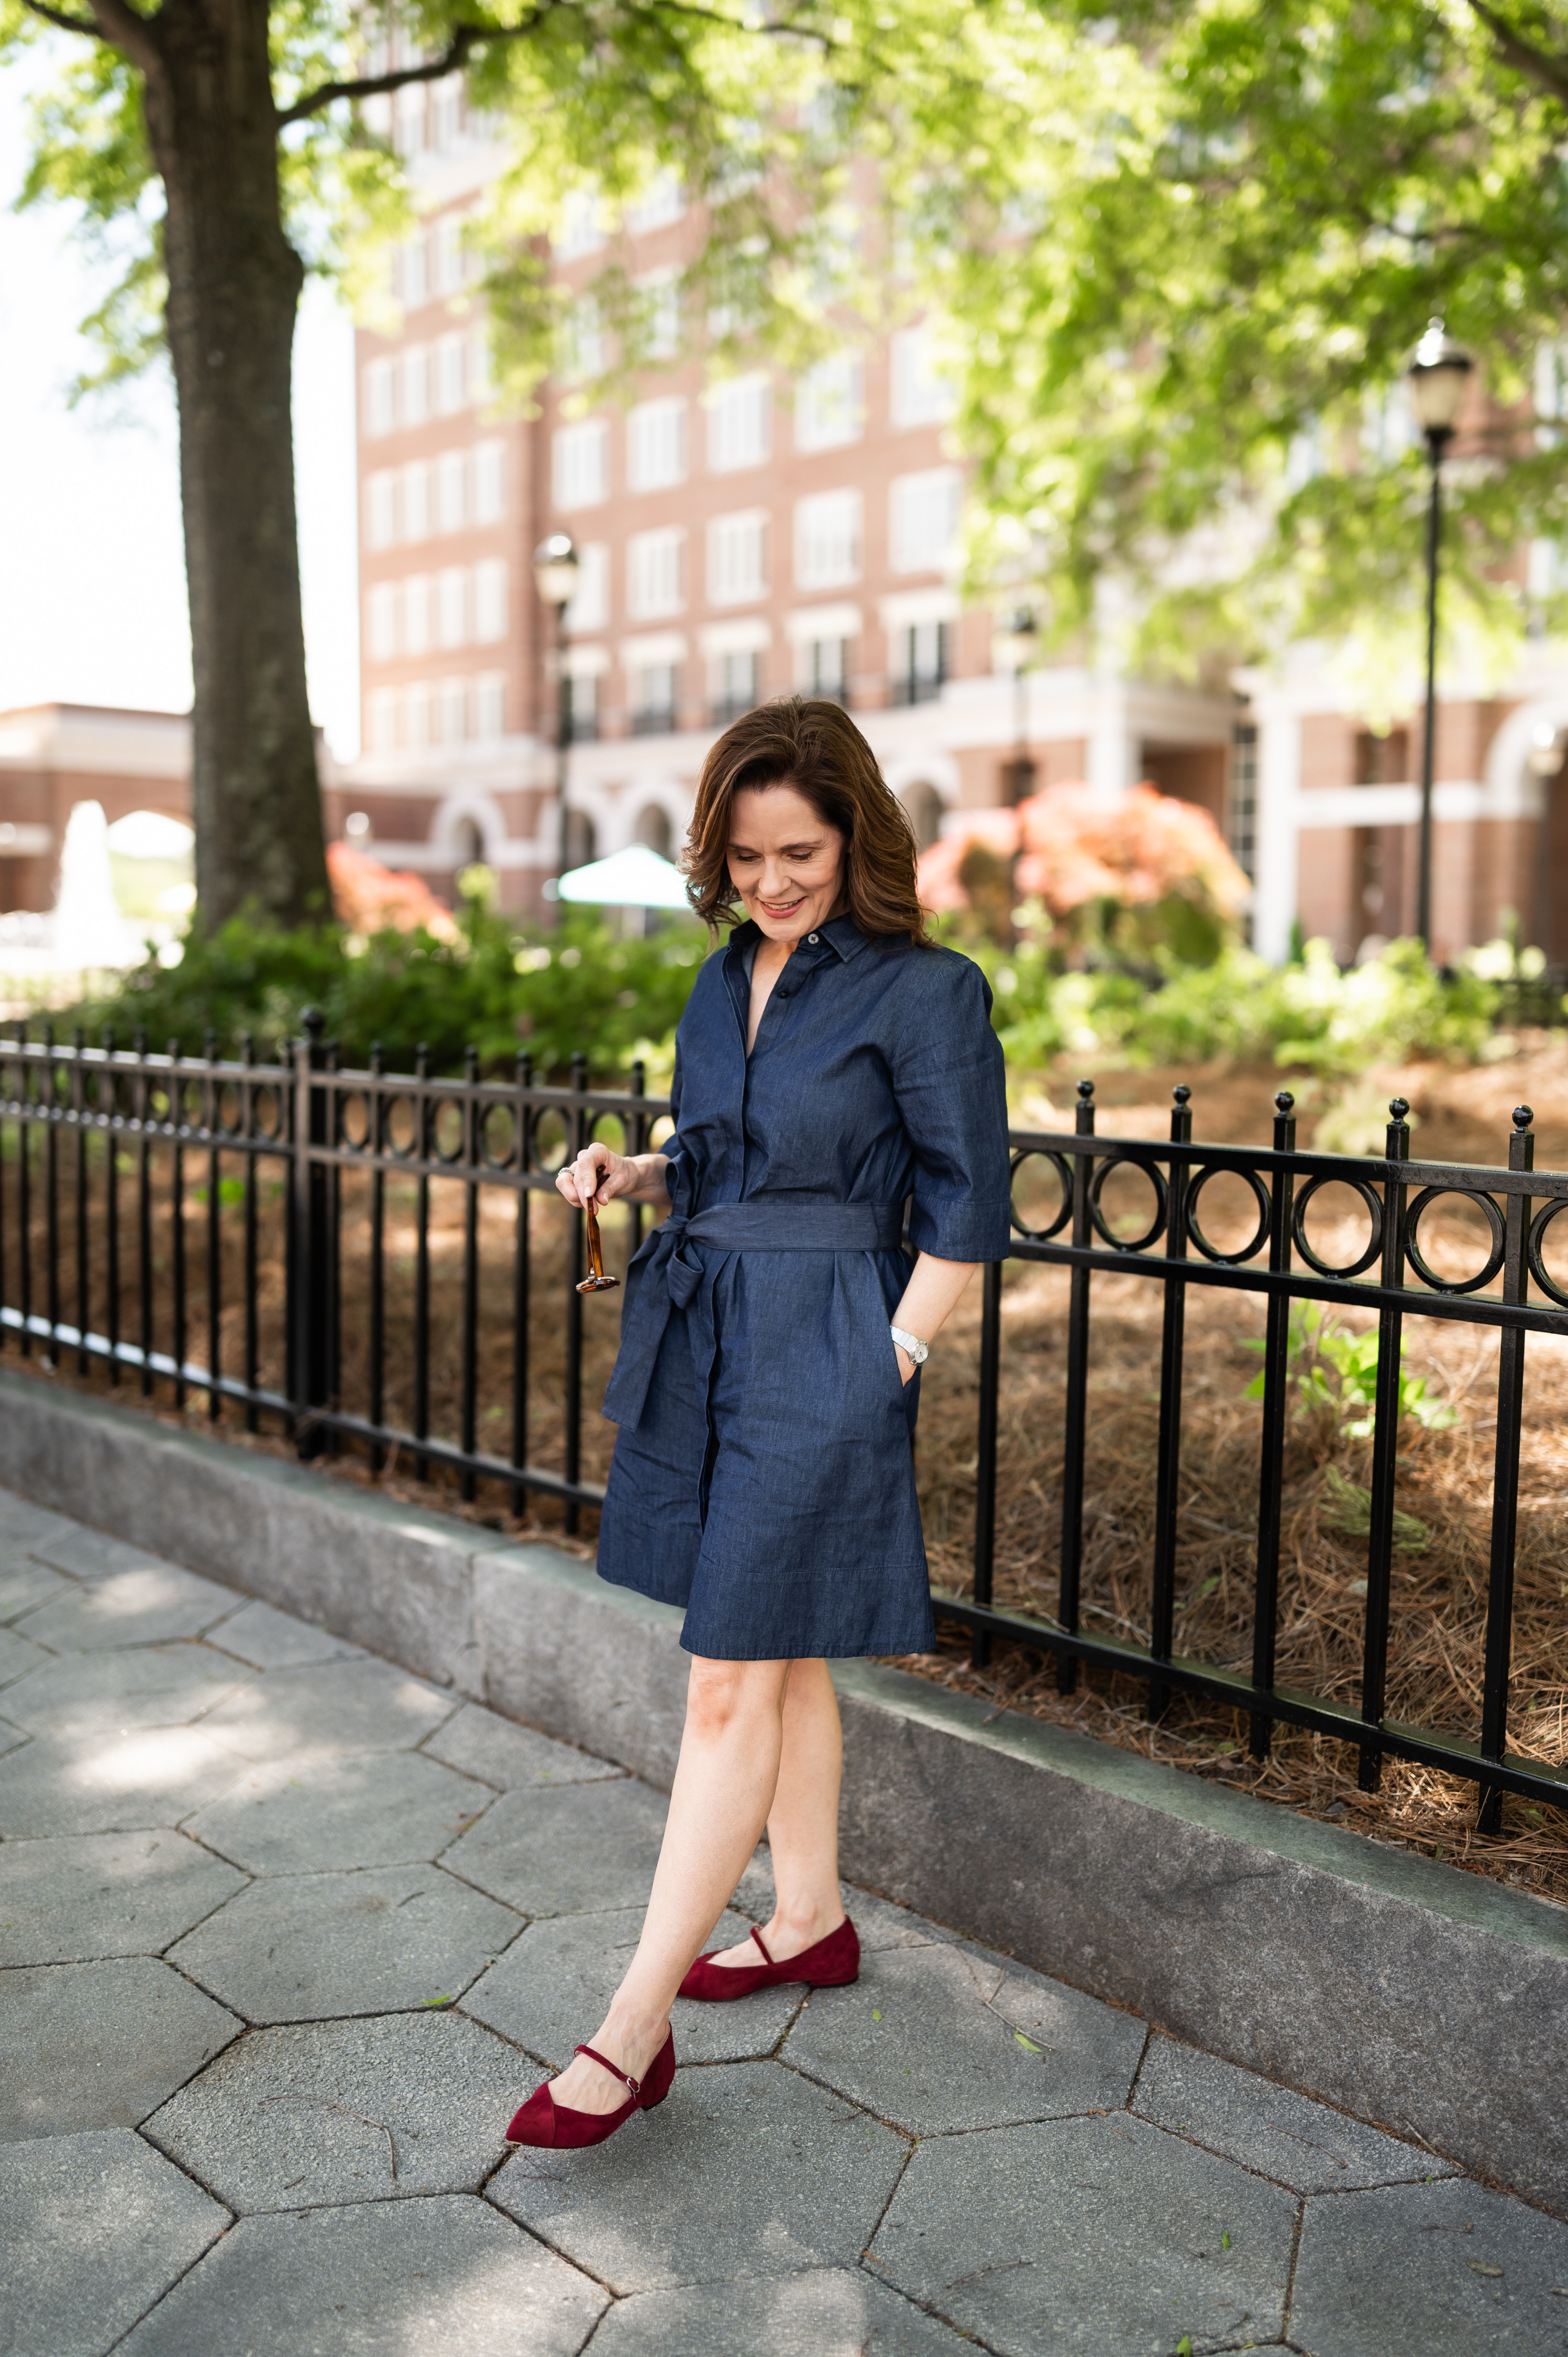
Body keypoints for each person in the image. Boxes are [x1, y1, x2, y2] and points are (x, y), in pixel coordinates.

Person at [505, 698, 1011, 2150]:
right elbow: (716, 1156)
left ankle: (628, 2027)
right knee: (774, 1661)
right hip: (702, 1325)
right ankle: (807, 1914)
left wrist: (891, 1357)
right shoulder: (717, 978)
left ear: (856, 833)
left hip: (826, 1347)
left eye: (798, 850)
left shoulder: (927, 991)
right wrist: (632, 1170)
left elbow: (965, 1209)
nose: (772, 881)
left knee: (725, 1678)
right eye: (744, 856)